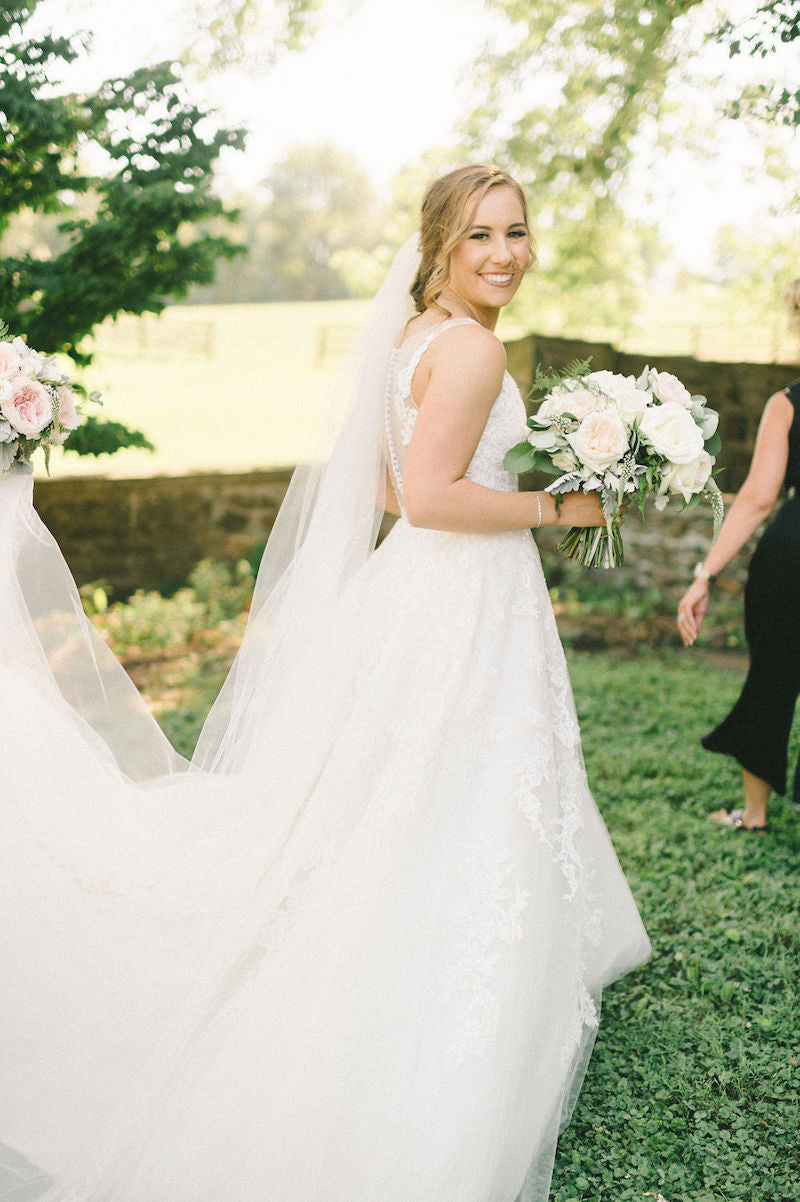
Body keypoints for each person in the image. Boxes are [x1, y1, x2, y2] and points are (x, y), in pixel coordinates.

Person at [0, 164, 649, 1202]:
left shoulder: (410, 341)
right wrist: (560, 511)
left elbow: (391, 485)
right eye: (479, 235)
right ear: (439, 242)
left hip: (414, 597)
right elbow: (432, 500)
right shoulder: (474, 348)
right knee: (452, 784)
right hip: (459, 595)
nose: (504, 254)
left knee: (398, 795)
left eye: (516, 232)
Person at [677, 283, 800, 831]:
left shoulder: (787, 404)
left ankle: (754, 815)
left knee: (773, 677)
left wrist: (706, 573)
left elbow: (756, 500)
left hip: (791, 555)